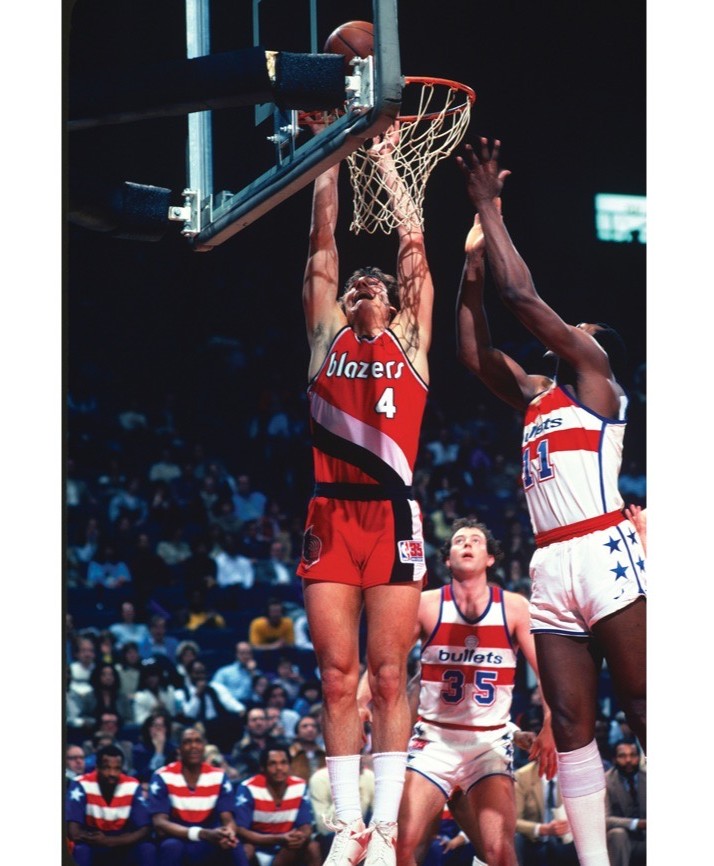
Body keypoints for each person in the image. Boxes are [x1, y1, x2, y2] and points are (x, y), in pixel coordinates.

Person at [454, 137, 646, 866]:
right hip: (550, 563)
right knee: (570, 723)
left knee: (644, 704)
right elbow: (474, 355)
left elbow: (525, 301)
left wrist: (488, 206)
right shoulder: (538, 396)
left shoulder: (599, 380)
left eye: (583, 330)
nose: (573, 332)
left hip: (603, 548)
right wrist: (472, 268)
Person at [295, 122, 435, 866]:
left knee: (388, 676)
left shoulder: (411, 342)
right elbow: (322, 245)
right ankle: (346, 825)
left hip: (393, 517)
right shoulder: (327, 338)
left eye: (373, 284)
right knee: (335, 676)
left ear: (390, 299)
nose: (362, 286)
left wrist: (385, 162)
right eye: (355, 285)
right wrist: (328, 159)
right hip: (331, 511)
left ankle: (384, 829)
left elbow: (414, 249)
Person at [359, 518, 556, 866]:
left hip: (488, 743)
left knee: (499, 852)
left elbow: (548, 674)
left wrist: (551, 722)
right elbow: (386, 659)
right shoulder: (426, 604)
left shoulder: (514, 607)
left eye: (476, 540)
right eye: (459, 540)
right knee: (401, 847)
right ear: (447, 559)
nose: (467, 543)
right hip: (434, 741)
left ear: (490, 558)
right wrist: (362, 699)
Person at [147, 727, 249, 865]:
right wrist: (201, 833)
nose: (193, 746)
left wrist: (228, 834)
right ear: (179, 748)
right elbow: (160, 823)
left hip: (209, 837)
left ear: (204, 746)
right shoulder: (162, 776)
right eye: (187, 742)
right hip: (177, 837)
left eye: (198, 741)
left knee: (233, 845)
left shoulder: (219, 776)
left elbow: (228, 819)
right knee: (172, 847)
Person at [66, 743, 156, 865]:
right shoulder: (80, 784)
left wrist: (109, 841)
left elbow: (144, 829)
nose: (112, 773)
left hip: (122, 844)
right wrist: (98, 840)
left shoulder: (132, 785)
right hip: (93, 844)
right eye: (106, 768)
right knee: (81, 850)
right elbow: (74, 832)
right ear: (97, 767)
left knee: (147, 848)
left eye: (117, 768)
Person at [232, 745, 322, 866]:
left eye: (283, 763)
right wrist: (279, 838)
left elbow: (306, 826)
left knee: (312, 847)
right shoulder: (248, 788)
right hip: (257, 845)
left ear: (290, 765)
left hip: (287, 846)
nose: (279, 768)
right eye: (272, 763)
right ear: (263, 768)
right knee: (245, 849)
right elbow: (240, 830)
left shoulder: (299, 786)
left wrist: (300, 837)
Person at [175, 658, 246, 754]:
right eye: (197, 673)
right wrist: (197, 695)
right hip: (199, 724)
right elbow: (189, 714)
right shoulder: (182, 693)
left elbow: (229, 702)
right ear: (189, 674)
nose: (201, 676)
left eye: (202, 672)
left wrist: (241, 710)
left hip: (218, 722)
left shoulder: (216, 687)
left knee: (235, 720)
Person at [514, 761, 579, 866]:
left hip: (568, 841)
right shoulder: (521, 777)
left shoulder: (573, 773)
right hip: (533, 842)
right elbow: (513, 821)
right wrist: (542, 829)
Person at [604, 741, 646, 866]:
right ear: (614, 759)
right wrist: (636, 823)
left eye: (633, 755)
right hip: (622, 840)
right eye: (622, 756)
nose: (628, 760)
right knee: (618, 834)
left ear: (639, 757)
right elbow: (604, 820)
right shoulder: (605, 782)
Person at [229, 707, 282, 782]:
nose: (259, 723)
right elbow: (243, 774)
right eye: (254, 720)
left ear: (267, 722)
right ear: (247, 725)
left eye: (262, 719)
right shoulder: (241, 747)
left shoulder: (278, 742)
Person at [132, 709, 179, 784]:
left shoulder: (173, 749)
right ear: (148, 729)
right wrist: (158, 751)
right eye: (155, 726)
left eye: (162, 726)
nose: (158, 729)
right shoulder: (139, 750)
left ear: (166, 729)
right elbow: (145, 777)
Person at [287, 714, 327, 782]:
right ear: (297, 733)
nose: (310, 729)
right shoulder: (290, 753)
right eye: (304, 726)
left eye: (314, 726)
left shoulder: (324, 754)